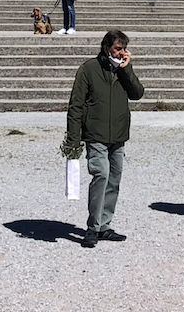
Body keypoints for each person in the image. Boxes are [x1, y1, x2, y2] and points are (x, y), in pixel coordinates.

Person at [62, 29, 145, 248]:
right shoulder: (88, 69)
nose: (121, 53)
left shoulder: (123, 69)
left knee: (114, 180)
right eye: (118, 49)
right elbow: (76, 105)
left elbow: (137, 93)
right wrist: (73, 139)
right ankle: (92, 227)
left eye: (124, 49)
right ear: (106, 47)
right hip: (96, 134)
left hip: (118, 134)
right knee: (101, 174)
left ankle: (104, 226)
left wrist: (126, 70)